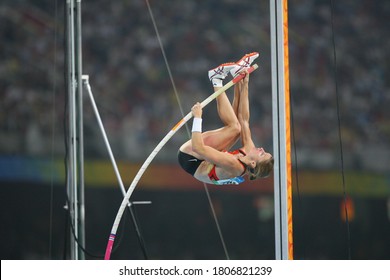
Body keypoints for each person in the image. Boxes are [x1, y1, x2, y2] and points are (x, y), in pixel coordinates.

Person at [178, 52, 273, 185]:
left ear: (253, 163)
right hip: (203, 156)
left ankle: (216, 79)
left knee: (234, 128)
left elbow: (197, 148)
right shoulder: (248, 151)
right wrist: (244, 84)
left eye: (262, 154)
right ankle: (237, 74)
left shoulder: (234, 165)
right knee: (238, 128)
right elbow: (243, 119)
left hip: (190, 158)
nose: (262, 149)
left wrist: (198, 118)